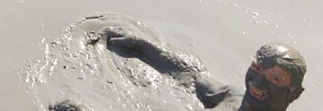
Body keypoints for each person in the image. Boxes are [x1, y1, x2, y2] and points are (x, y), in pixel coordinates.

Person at [103, 26, 307, 111]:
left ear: (294, 94)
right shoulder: (232, 97)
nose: (256, 83)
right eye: (256, 67)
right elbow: (189, 75)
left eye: (275, 79)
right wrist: (141, 46)